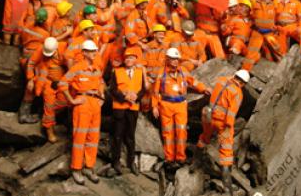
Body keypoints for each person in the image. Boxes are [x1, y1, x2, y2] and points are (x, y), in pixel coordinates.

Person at [152, 48, 210, 167]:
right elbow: (155, 92)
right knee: (168, 133)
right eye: (172, 59)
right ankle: (169, 158)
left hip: (181, 105)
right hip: (165, 105)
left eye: (176, 59)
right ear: (167, 60)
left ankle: (180, 157)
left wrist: (204, 88)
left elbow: (193, 82)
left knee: (181, 131)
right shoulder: (161, 73)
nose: (175, 61)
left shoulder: (183, 71)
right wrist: (154, 106)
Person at [59, 40, 105, 185]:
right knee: (80, 138)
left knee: (93, 138)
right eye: (91, 51)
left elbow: (101, 83)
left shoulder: (96, 68)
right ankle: (76, 169)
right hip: (82, 103)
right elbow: (62, 83)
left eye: (95, 51)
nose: (94, 53)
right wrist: (72, 101)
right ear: (84, 52)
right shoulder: (78, 68)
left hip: (95, 104)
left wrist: (102, 96)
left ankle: (89, 167)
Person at [197, 70, 249, 195]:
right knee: (226, 153)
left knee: (204, 138)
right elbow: (231, 113)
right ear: (243, 83)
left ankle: (194, 165)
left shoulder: (221, 80)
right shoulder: (237, 92)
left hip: (208, 116)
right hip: (222, 122)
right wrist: (228, 127)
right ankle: (227, 187)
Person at [109, 47, 148, 175]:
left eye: (131, 58)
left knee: (130, 137)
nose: (128, 60)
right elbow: (113, 90)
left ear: (136, 59)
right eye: (126, 58)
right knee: (117, 136)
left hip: (133, 108)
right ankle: (116, 162)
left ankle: (131, 163)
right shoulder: (117, 71)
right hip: (119, 108)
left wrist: (137, 97)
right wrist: (124, 97)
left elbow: (143, 89)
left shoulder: (139, 72)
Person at [32, 37, 67, 143]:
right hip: (49, 84)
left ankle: (47, 115)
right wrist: (37, 88)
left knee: (64, 102)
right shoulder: (43, 59)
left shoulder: (64, 49)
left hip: (62, 83)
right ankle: (49, 130)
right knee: (49, 106)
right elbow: (41, 76)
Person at [19, 9, 50, 123]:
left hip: (24, 55)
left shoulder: (27, 26)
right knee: (31, 86)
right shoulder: (44, 34)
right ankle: (24, 115)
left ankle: (26, 112)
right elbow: (49, 43)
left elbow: (21, 37)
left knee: (30, 84)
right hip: (34, 59)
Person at [242, 0, 282, 69]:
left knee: (276, 48)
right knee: (251, 53)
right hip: (258, 32)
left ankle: (282, 64)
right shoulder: (256, 3)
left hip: (269, 33)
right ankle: (244, 70)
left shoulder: (273, 4)